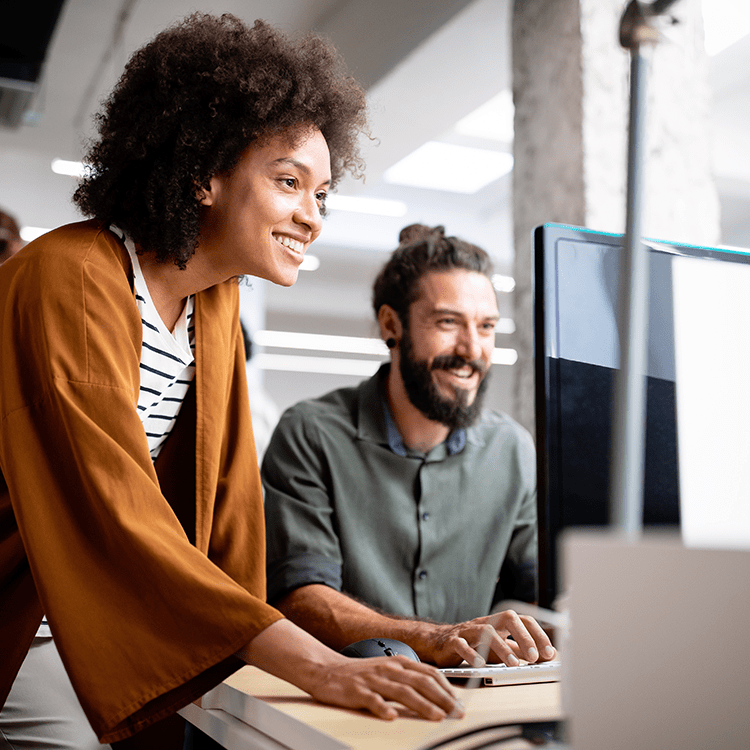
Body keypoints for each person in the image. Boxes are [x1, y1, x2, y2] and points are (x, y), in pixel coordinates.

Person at [0, 15, 464, 750]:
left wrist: (270, 660)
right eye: (288, 182)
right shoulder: (71, 278)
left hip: (94, 621)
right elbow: (115, 505)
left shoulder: (213, 302)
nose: (312, 216)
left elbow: (230, 513)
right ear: (203, 172)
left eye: (321, 193)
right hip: (20, 621)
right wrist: (310, 662)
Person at [263, 224, 557, 669]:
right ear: (391, 325)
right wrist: (437, 638)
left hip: (478, 695)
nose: (472, 349)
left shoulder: (511, 448)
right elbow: (301, 599)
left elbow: (543, 591)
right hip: (347, 694)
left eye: (487, 326)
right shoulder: (311, 434)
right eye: (447, 322)